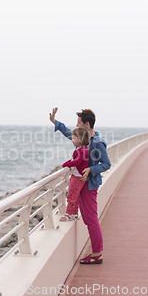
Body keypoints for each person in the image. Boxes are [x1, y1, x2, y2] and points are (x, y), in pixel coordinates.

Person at [49, 107, 111, 264]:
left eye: (79, 123)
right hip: (81, 184)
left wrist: (91, 169)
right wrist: (55, 121)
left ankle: (97, 253)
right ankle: (96, 251)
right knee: (87, 219)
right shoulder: (82, 138)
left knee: (91, 220)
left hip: (89, 185)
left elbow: (106, 163)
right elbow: (68, 132)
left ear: (87, 124)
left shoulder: (96, 143)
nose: (76, 126)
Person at [60, 127, 89, 222]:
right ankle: (74, 214)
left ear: (80, 139)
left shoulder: (83, 151)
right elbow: (74, 160)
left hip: (78, 177)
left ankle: (68, 214)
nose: (72, 140)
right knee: (74, 195)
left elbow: (77, 162)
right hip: (77, 176)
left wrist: (66, 165)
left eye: (73, 138)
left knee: (71, 195)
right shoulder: (81, 149)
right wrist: (67, 163)